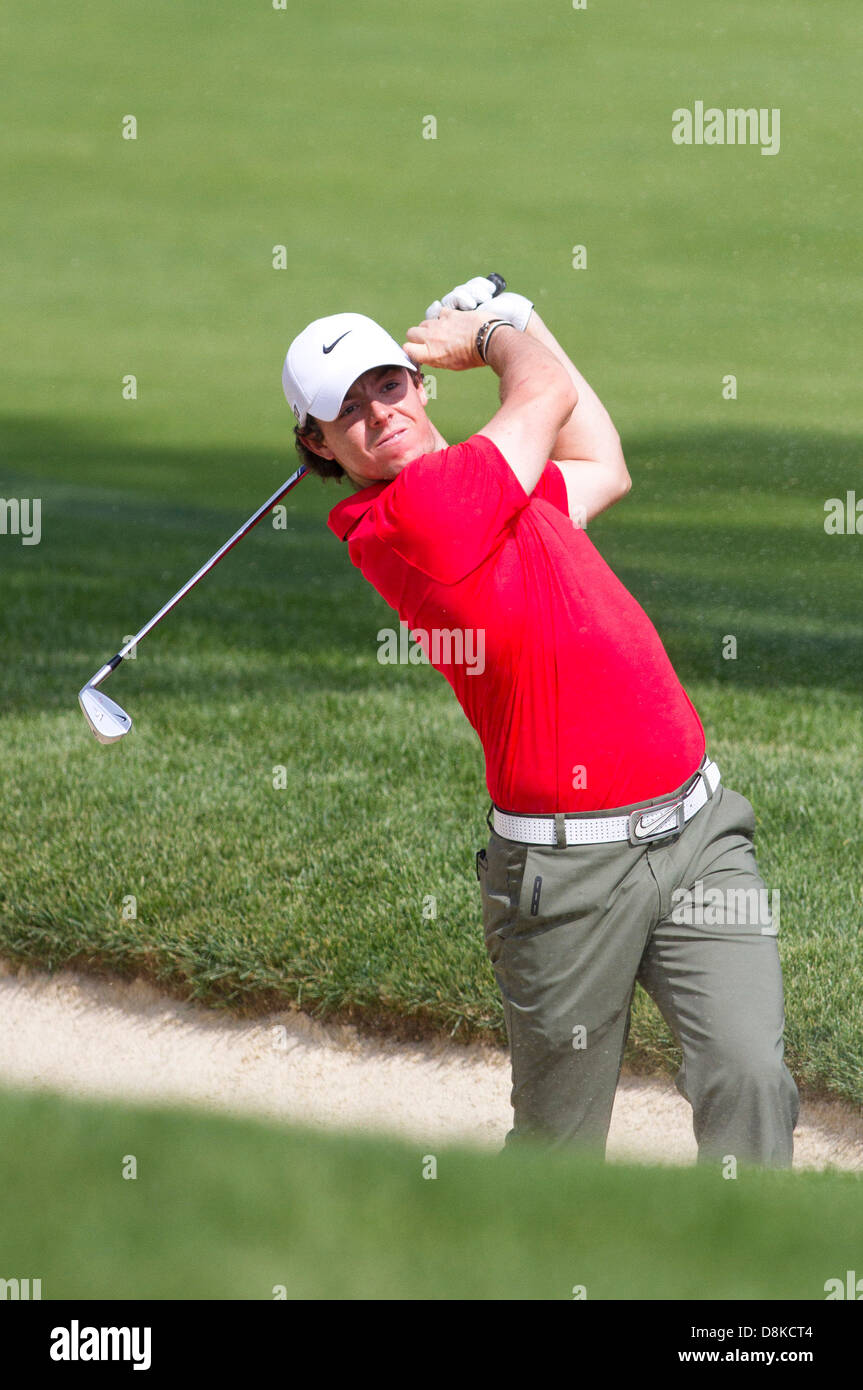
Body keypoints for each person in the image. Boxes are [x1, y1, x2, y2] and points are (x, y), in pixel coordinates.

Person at [281, 275, 799, 1167]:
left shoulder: (504, 491)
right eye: (347, 410)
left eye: (388, 383)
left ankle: (754, 1300)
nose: (379, 412)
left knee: (750, 1077)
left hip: (699, 831)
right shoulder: (409, 518)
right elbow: (545, 391)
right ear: (317, 443)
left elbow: (603, 463)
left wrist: (526, 321)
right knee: (559, 1154)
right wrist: (496, 331)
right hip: (564, 879)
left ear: (417, 383)